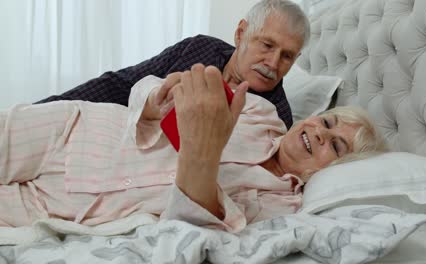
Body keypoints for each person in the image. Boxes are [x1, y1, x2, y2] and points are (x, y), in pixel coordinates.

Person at [0, 65, 387, 232]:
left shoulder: (285, 206)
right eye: (327, 121)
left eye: (335, 146)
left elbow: (194, 226)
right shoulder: (260, 110)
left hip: (67, 207)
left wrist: (204, 148)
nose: (320, 131)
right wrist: (158, 98)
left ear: (335, 172)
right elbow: (144, 86)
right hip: (76, 131)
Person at [36, 0, 311, 129]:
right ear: (241, 34)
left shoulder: (277, 117)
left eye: (286, 56)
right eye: (267, 45)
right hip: (114, 127)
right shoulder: (199, 47)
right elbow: (123, 82)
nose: (273, 63)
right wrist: (49, 109)